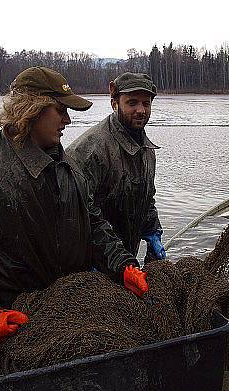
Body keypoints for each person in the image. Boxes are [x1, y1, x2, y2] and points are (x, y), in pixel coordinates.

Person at [0, 66, 148, 345]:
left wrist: (123, 264)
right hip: (7, 322)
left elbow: (95, 225)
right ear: (32, 109)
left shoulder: (68, 168)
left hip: (63, 315)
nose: (67, 120)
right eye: (60, 110)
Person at [67, 72, 165, 264]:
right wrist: (110, 261)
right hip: (89, 262)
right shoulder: (89, 150)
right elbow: (79, 215)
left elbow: (146, 198)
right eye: (132, 103)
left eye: (146, 103)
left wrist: (153, 231)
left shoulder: (146, 150)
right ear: (115, 103)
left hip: (123, 258)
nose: (141, 110)